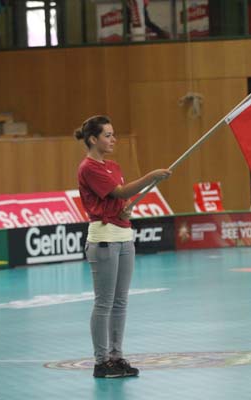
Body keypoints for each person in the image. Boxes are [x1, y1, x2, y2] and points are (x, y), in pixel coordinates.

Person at [75, 115, 171, 378]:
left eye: (113, 134)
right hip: (104, 239)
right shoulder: (88, 168)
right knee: (104, 303)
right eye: (107, 135)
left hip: (124, 236)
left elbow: (119, 201)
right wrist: (151, 177)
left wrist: (126, 210)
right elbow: (120, 192)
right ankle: (101, 362)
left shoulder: (113, 166)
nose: (113, 139)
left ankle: (116, 357)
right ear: (92, 139)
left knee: (120, 302)